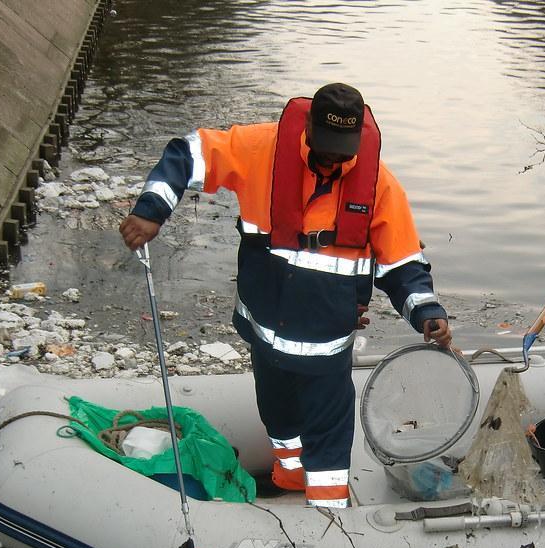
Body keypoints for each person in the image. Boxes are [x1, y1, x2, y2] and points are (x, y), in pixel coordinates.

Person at [120, 83, 453, 509]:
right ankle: (290, 480)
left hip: (326, 349)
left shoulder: (378, 187)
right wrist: (151, 210)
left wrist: (426, 311)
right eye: (325, 147)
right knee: (279, 422)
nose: (332, 160)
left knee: (328, 442)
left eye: (342, 152)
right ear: (308, 127)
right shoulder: (260, 149)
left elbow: (402, 262)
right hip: (266, 335)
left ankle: (329, 517)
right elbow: (189, 152)